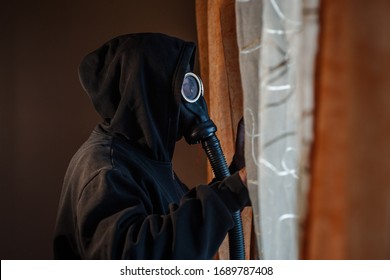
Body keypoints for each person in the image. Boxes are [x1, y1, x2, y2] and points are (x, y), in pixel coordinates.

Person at [53, 33, 249, 259]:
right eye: (182, 85)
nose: (193, 100)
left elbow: (176, 233)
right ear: (148, 90)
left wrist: (237, 176)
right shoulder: (105, 169)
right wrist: (234, 189)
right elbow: (137, 259)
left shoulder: (142, 160)